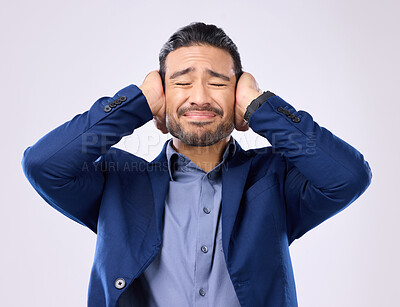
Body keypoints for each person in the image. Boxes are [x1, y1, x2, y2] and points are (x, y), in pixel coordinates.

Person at [21, 22, 372, 307]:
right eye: (182, 82)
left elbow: (348, 176)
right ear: (159, 111)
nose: (200, 97)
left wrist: (260, 106)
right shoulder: (117, 181)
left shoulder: (274, 180)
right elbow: (43, 164)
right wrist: (136, 103)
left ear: (238, 106)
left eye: (219, 83)